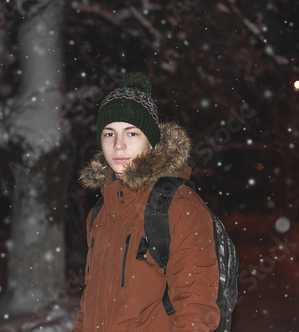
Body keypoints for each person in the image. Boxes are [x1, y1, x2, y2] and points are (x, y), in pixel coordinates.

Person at [73, 72, 220, 331]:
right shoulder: (101, 210)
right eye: (109, 134)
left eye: (131, 133)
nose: (118, 145)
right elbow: (90, 303)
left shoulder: (178, 205)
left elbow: (196, 308)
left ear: (151, 142)